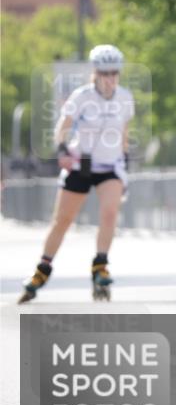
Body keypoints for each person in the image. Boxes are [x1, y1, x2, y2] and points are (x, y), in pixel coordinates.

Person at [18, 44, 135, 304]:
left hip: (109, 165)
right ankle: (43, 269)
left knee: (109, 213)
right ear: (96, 72)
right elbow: (63, 127)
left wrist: (125, 159)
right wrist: (62, 149)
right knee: (63, 220)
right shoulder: (81, 96)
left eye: (114, 72)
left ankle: (100, 264)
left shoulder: (125, 98)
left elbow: (124, 131)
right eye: (105, 73)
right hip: (81, 163)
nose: (110, 78)